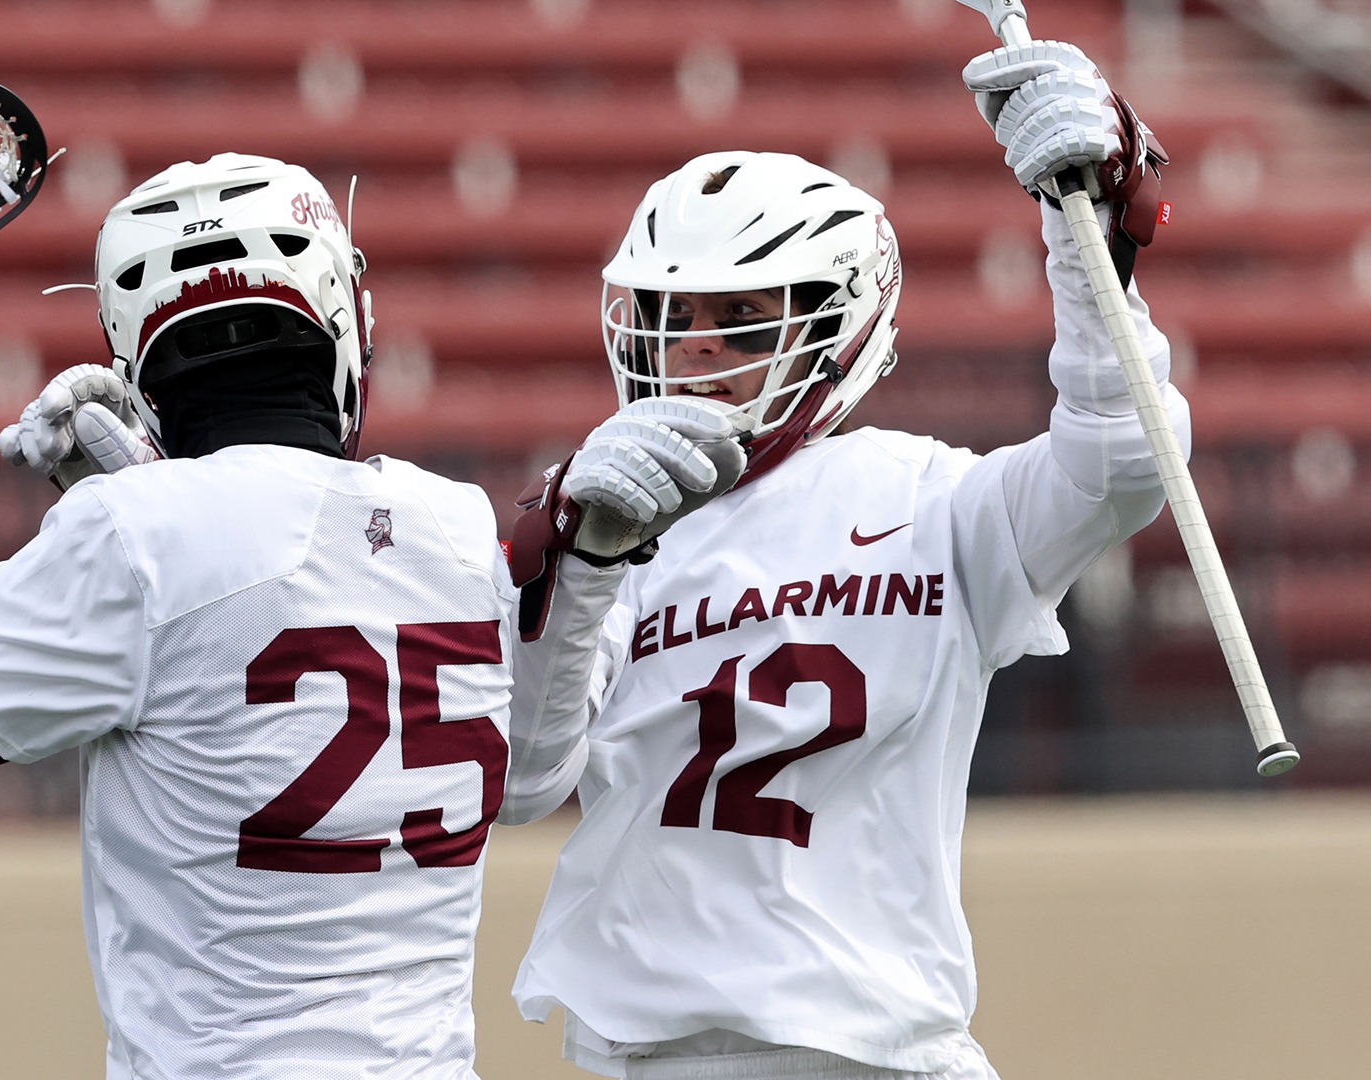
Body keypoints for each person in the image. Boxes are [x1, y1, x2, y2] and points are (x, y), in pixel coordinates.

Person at [0, 152, 744, 1079]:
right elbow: (520, 775)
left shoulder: (135, 536)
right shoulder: (448, 525)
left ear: (135, 349)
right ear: (342, 322)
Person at [496, 41, 1182, 1080]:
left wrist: (1086, 238)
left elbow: (1124, 464)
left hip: (884, 1048)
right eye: (673, 319)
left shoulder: (929, 498)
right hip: (661, 1053)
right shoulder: (600, 521)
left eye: (739, 320)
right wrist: (575, 560)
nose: (694, 353)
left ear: (837, 328)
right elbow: (523, 776)